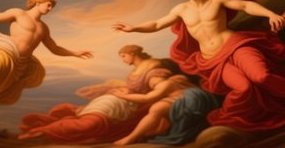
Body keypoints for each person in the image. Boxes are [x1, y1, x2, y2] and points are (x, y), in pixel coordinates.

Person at [113, 0, 285, 132]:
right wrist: (134, 28)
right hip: (211, 58)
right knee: (242, 88)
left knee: (261, 75)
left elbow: (244, 6)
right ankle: (260, 115)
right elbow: (157, 24)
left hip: (235, 45)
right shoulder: (181, 9)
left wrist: (269, 14)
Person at [18, 44, 171, 142]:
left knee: (92, 124)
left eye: (123, 56)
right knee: (89, 120)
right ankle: (43, 130)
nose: (123, 59)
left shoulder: (152, 67)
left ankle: (42, 130)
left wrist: (124, 93)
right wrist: (117, 89)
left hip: (125, 102)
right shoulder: (138, 69)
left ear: (132, 53)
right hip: (116, 100)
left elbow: (155, 86)